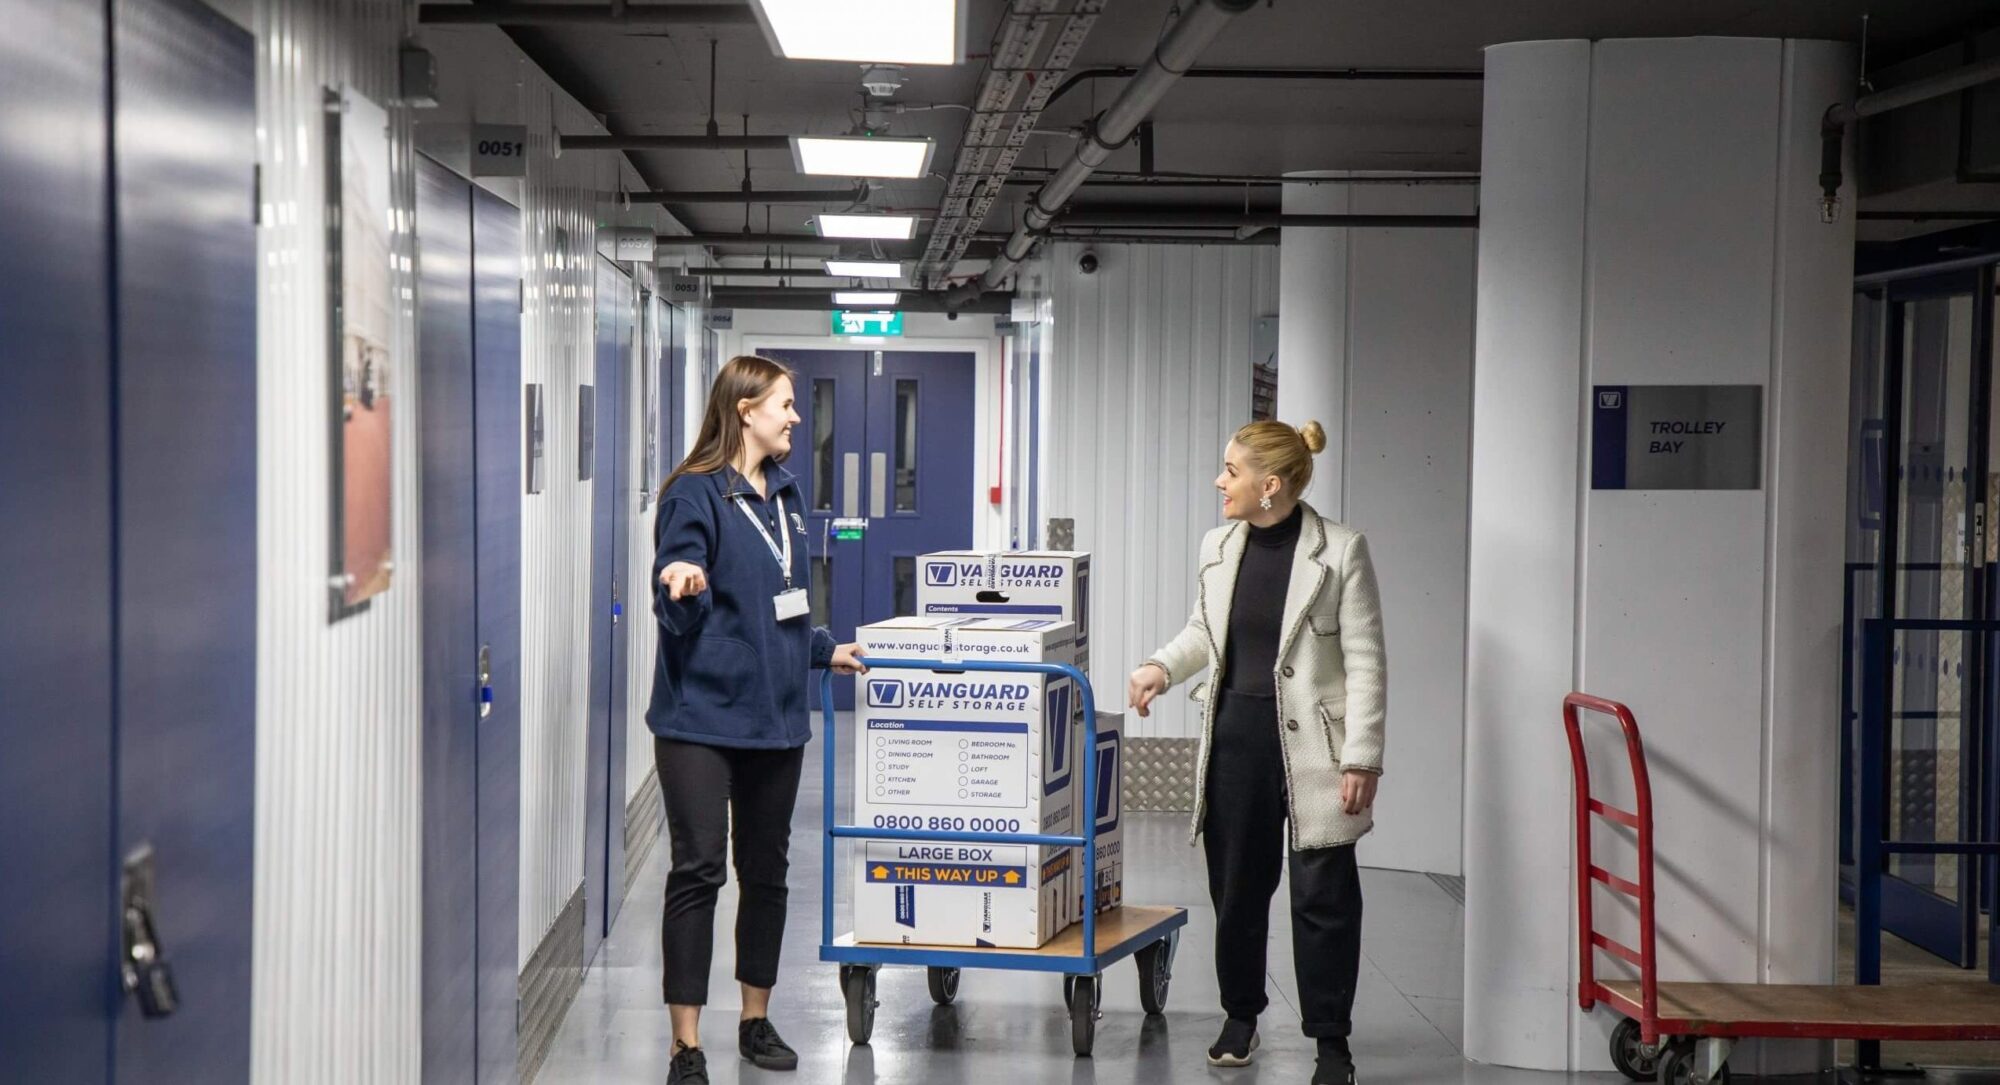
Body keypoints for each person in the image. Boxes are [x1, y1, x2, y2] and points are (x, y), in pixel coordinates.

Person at [1128, 420, 1385, 1085]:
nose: (1220, 480)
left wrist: (1363, 756)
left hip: (1318, 752)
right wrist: (1162, 665)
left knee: (1323, 898)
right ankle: (1240, 1017)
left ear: (1270, 485)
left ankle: (1332, 1044)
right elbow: (1202, 632)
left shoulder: (1342, 550)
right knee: (1237, 890)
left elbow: (1365, 661)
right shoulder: (1219, 545)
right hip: (1236, 741)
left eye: (1231, 470)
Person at [649, 355, 868, 1085]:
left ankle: (754, 1017)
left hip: (776, 721)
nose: (795, 417)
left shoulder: (786, 496)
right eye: (783, 404)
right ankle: (686, 1044)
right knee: (700, 869)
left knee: (766, 871)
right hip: (701, 720)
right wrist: (679, 585)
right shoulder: (694, 494)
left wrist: (824, 650)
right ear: (745, 410)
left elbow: (784, 602)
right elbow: (680, 581)